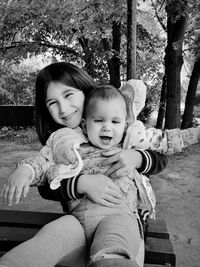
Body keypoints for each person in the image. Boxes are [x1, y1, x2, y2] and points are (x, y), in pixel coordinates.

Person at [0, 62, 168, 267]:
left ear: (84, 90)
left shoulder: (116, 120)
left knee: (113, 246)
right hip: (79, 223)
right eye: (52, 102)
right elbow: (46, 183)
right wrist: (79, 183)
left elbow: (160, 157)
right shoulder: (61, 141)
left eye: (69, 95)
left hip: (123, 223)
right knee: (50, 237)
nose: (63, 108)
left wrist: (138, 158)